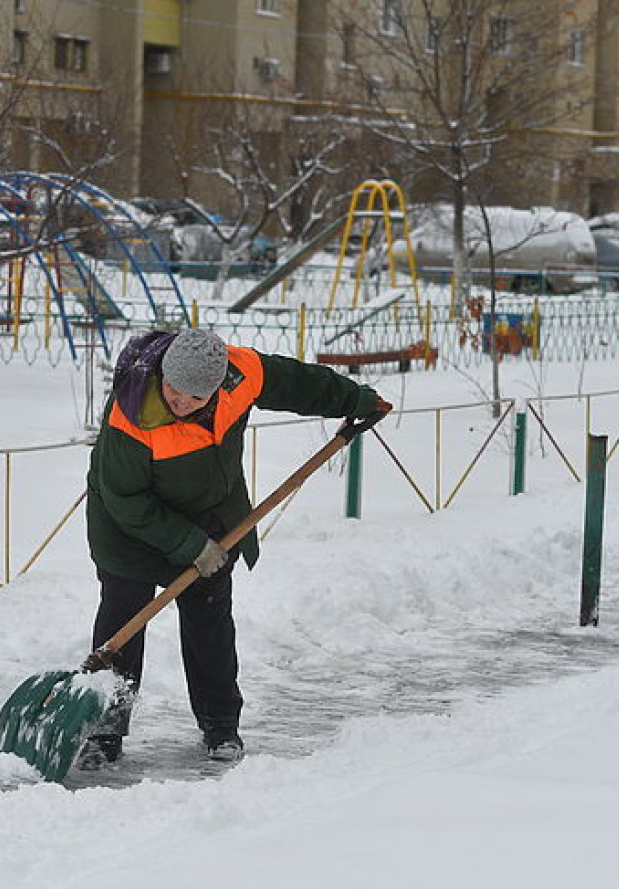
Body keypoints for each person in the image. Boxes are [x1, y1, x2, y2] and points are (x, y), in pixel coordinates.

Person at [79, 328, 392, 767]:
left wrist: (355, 400)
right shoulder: (131, 415)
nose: (180, 402)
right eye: (172, 389)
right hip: (129, 527)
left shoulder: (240, 373)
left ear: (217, 385)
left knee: (210, 622)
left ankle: (220, 725)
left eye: (193, 396)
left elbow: (296, 382)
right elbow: (126, 500)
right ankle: (103, 732)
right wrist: (189, 545)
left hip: (210, 516)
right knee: (123, 623)